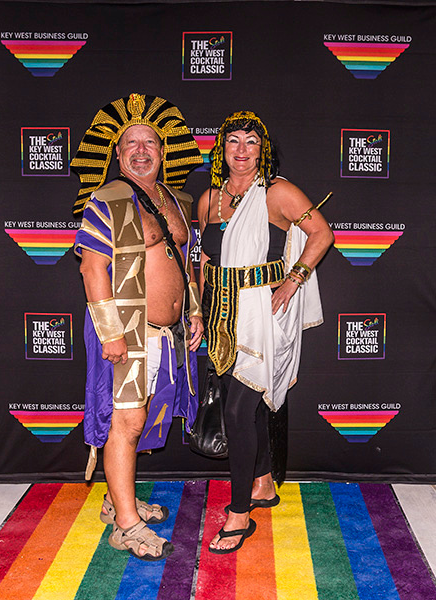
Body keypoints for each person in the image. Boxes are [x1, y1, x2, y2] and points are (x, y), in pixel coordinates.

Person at [71, 93, 204, 561]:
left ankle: (115, 499)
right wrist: (110, 331)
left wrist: (194, 311)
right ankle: (125, 526)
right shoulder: (106, 199)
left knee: (144, 419)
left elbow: (185, 261)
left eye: (151, 142)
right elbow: (92, 268)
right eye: (132, 143)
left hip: (166, 335)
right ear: (118, 153)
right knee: (126, 423)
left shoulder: (176, 200)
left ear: (163, 153)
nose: (142, 150)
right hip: (126, 331)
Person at [197, 111, 334, 553]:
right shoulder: (209, 200)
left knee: (238, 411)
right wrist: (199, 312)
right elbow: (204, 262)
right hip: (220, 314)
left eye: (251, 142)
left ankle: (238, 515)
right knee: (249, 407)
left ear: (263, 149)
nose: (241, 150)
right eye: (233, 141)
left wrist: (294, 279)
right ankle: (262, 484)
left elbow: (321, 234)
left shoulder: (277, 192)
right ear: (221, 149)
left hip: (261, 309)